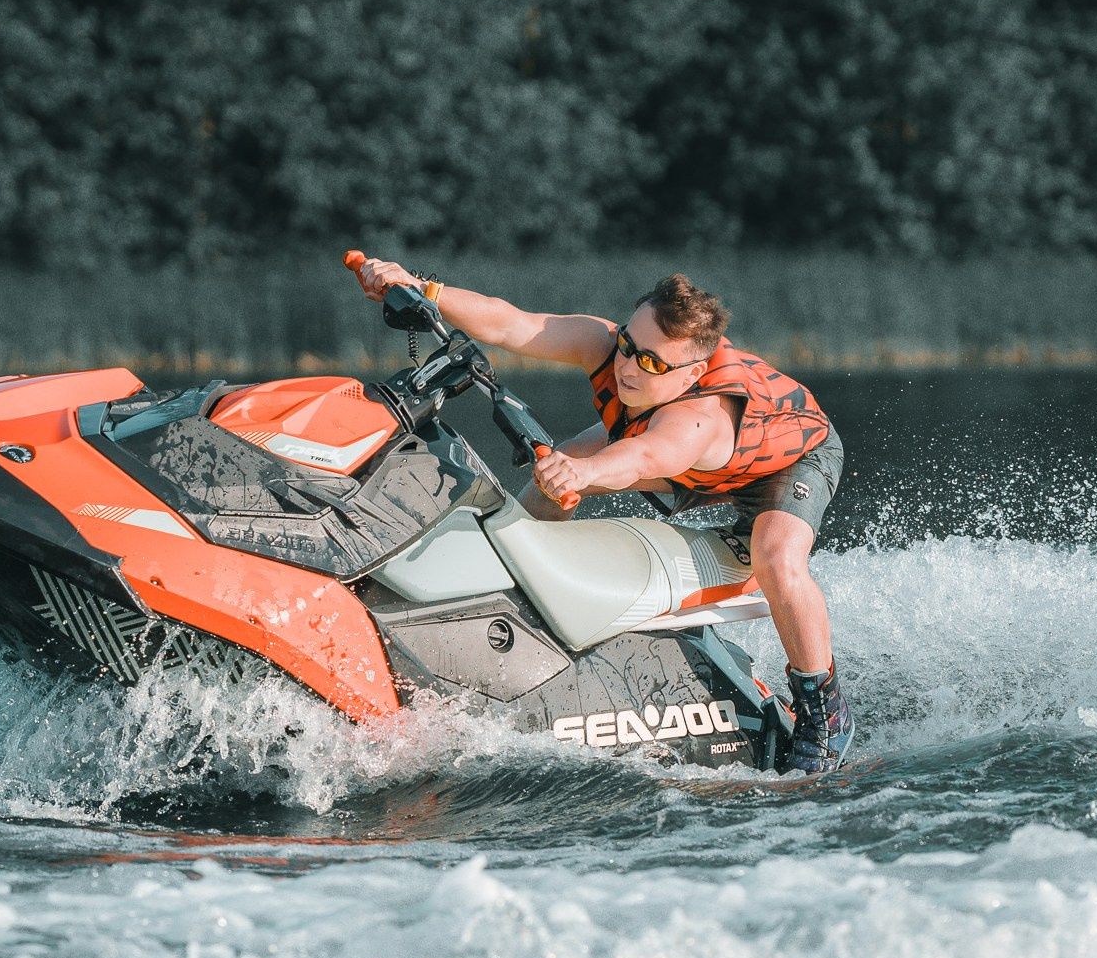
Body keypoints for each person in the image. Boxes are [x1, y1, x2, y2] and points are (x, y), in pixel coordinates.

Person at [348, 257, 851, 774]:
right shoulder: (608, 345)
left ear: (693, 373)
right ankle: (522, 607)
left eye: (653, 363)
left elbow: (646, 457)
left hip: (789, 460)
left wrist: (585, 474)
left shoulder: (696, 417)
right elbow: (510, 323)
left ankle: (823, 710)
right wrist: (423, 288)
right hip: (673, 452)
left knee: (775, 559)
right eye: (630, 346)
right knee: (553, 477)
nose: (629, 367)